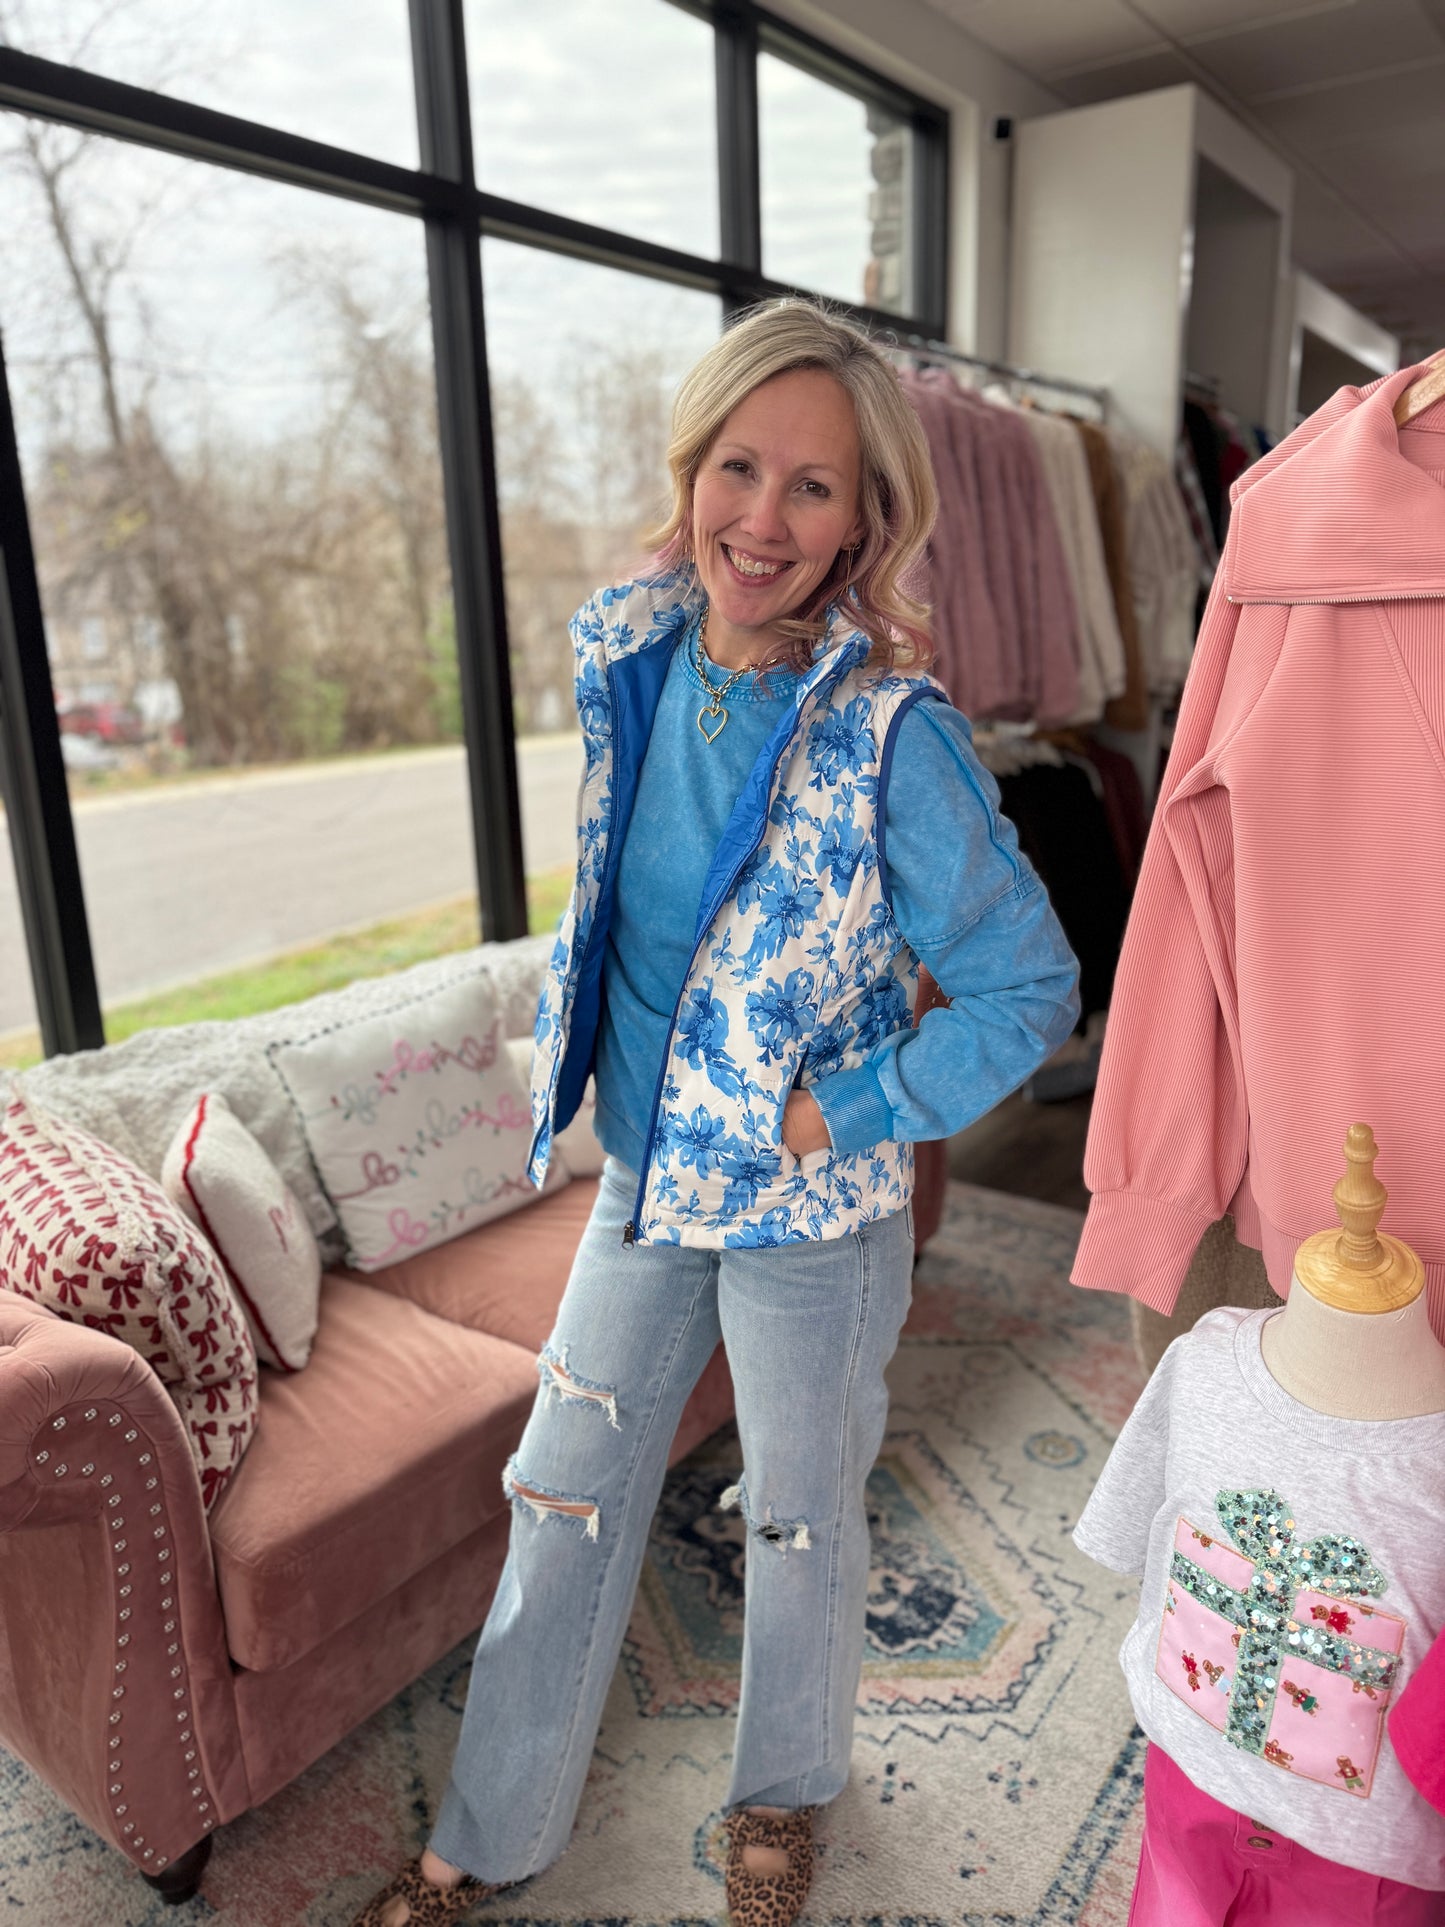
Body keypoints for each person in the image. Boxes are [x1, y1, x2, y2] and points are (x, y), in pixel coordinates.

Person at [353, 299, 1080, 1927]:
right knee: (560, 1487)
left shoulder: (898, 740)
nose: (763, 519)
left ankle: (784, 1796)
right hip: (639, 1178)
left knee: (805, 1516)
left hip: (810, 1213)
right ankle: (488, 1830)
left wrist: (851, 1108)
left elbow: (1032, 988)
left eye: (812, 488)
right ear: (689, 474)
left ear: (867, 519)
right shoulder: (626, 653)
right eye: (738, 468)